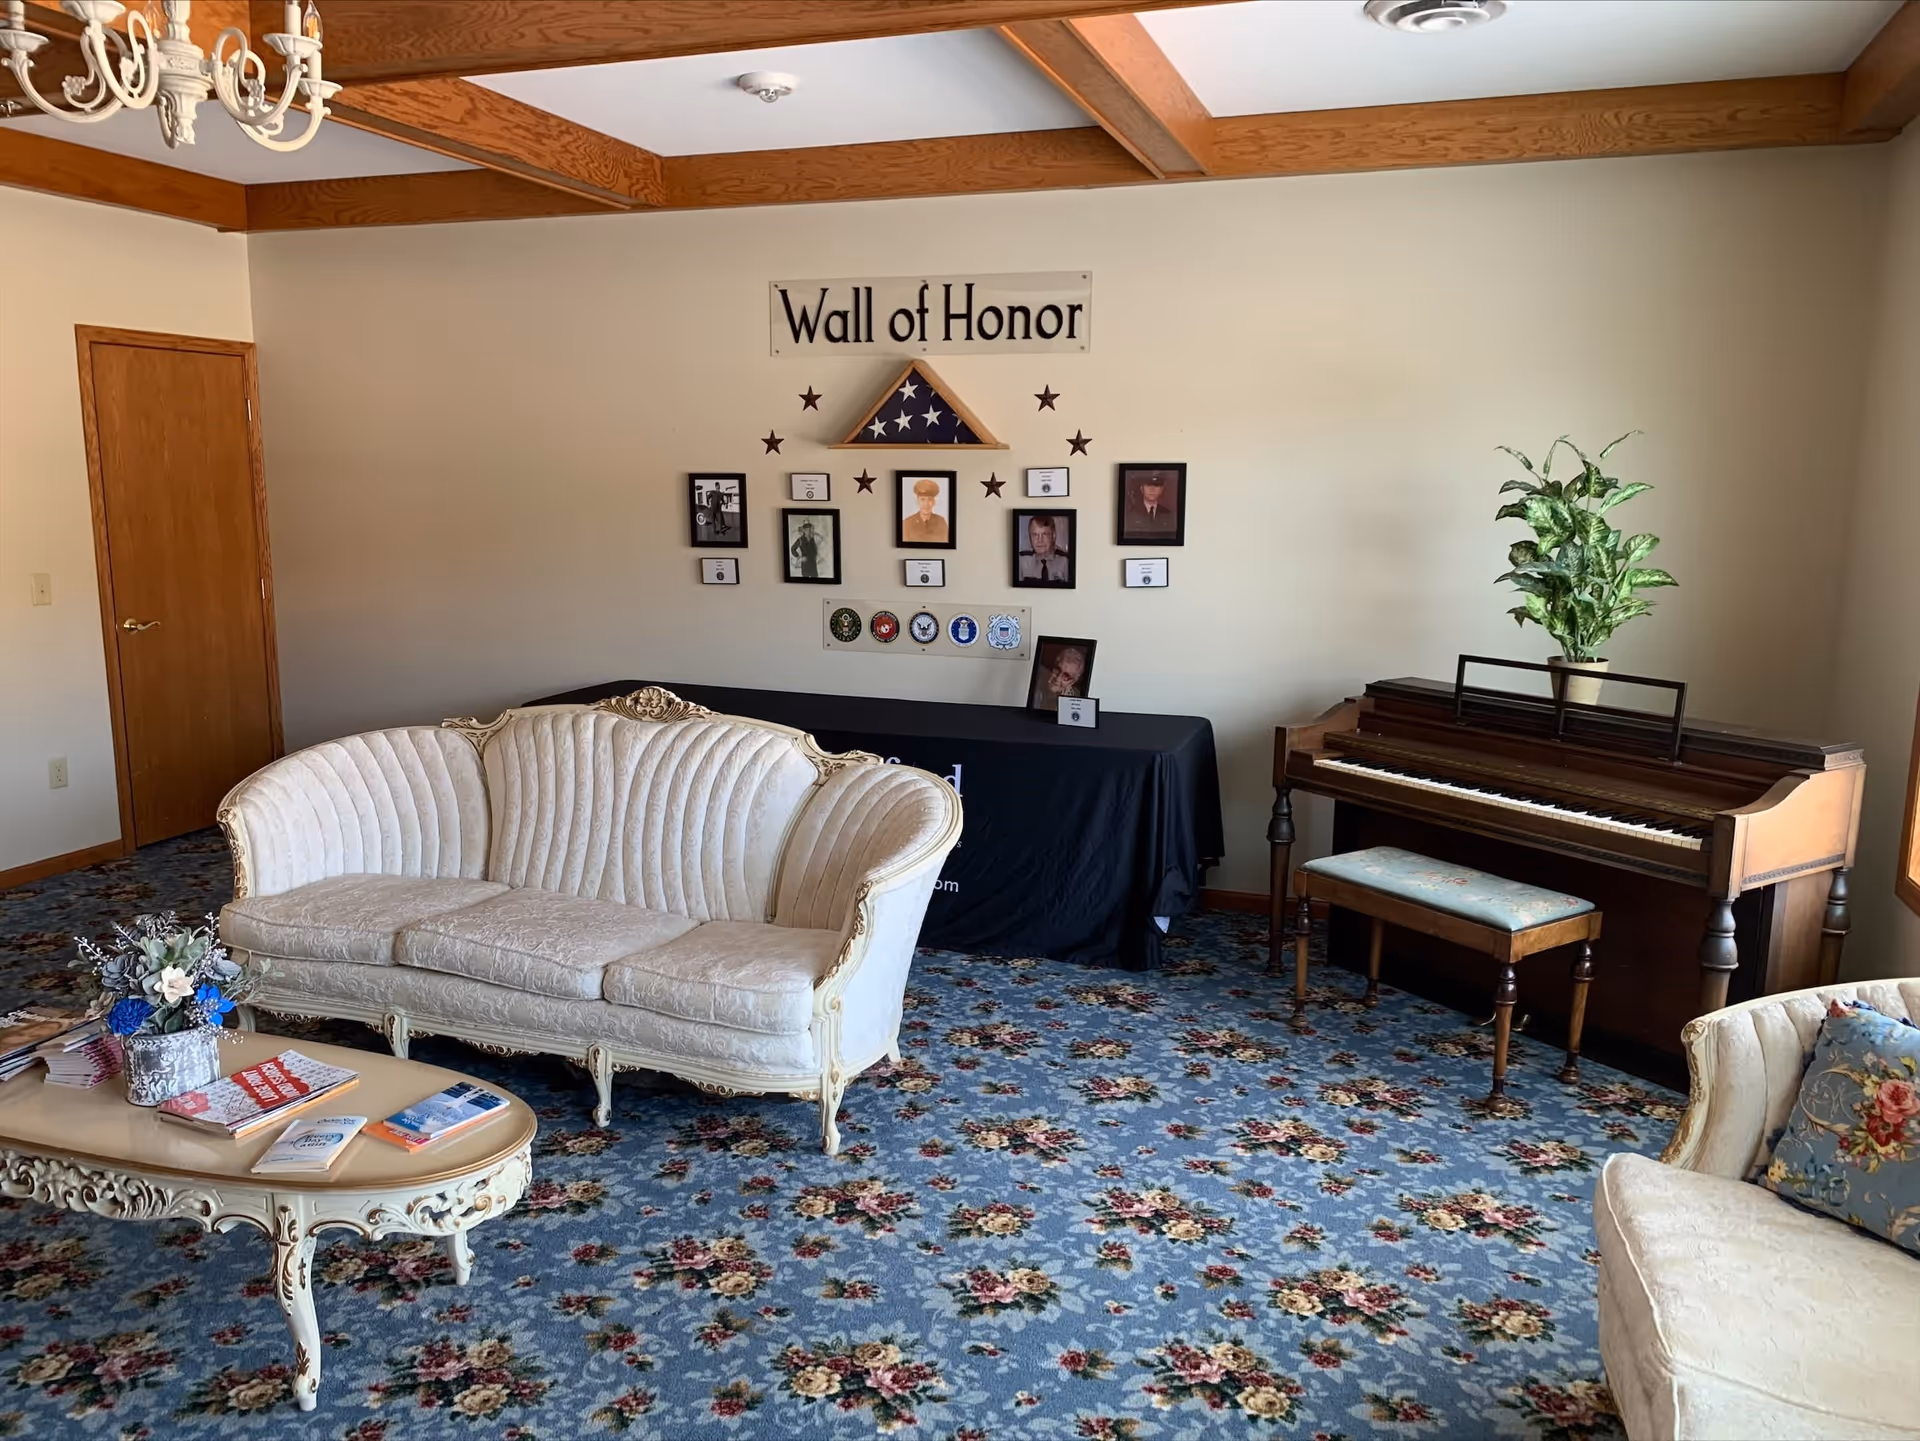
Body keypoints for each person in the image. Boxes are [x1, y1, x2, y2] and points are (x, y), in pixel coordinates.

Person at [1017, 514, 1071, 583]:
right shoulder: (1022, 561)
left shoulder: (1065, 562)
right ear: (1030, 537)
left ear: (1053, 536)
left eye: (1044, 534)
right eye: (1035, 535)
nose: (1040, 540)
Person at [1035, 645, 1088, 710]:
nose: (1058, 679)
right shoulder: (1037, 678)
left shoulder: (1077, 702)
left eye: (1066, 676)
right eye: (1057, 670)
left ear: (1072, 682)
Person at [901, 478, 949, 543]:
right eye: (922, 499)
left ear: (934, 502)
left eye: (930, 500)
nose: (926, 504)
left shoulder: (941, 522)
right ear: (917, 501)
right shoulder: (907, 523)